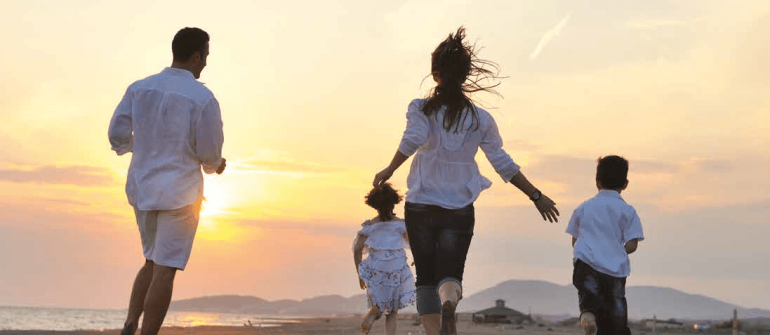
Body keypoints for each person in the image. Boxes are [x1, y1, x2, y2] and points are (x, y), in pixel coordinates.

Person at [372, 27, 560, 335]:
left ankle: (435, 331)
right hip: (459, 205)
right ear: (466, 74)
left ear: (434, 74)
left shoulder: (420, 108)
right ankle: (449, 303)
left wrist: (390, 168)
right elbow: (502, 163)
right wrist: (536, 195)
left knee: (426, 279)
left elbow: (414, 138)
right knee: (450, 276)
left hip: (420, 204)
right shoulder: (480, 119)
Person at [108, 27, 226, 335]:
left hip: (142, 188)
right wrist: (216, 166)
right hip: (181, 194)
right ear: (196, 56)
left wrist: (142, 145)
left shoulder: (139, 88)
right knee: (165, 270)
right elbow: (209, 151)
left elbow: (117, 135)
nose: (206, 65)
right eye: (206, 57)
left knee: (150, 261)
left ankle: (131, 324)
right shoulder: (202, 97)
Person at [566, 155, 644, 335]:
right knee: (615, 308)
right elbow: (632, 245)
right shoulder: (628, 211)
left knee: (588, 297)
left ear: (597, 182)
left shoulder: (584, 207)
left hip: (586, 264)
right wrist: (616, 250)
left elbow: (575, 240)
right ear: (625, 184)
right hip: (615, 270)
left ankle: (588, 316)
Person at [353, 183, 416, 335]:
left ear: (374, 204)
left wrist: (360, 274)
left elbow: (357, 249)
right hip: (397, 266)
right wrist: (416, 258)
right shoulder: (400, 224)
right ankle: (376, 314)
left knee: (380, 299)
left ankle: (374, 312)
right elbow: (413, 242)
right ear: (394, 202)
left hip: (377, 267)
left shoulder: (369, 225)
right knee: (392, 311)